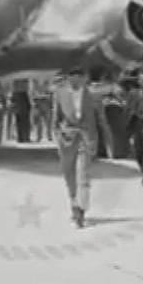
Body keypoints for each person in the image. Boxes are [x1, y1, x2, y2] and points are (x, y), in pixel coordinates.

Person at [52, 67, 104, 228]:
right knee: (69, 174)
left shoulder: (93, 94)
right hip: (67, 138)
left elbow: (100, 119)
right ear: (68, 79)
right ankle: (74, 202)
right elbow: (56, 117)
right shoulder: (60, 93)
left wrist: (104, 141)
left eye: (78, 77)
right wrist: (57, 135)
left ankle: (81, 209)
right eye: (72, 77)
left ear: (84, 78)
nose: (75, 81)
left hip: (86, 138)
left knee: (83, 174)